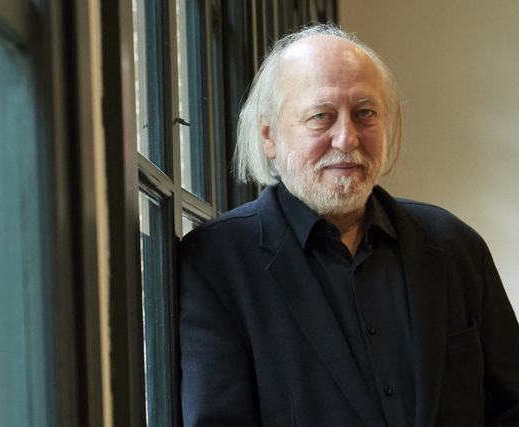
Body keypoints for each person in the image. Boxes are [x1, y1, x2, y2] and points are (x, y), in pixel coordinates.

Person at [178, 24, 519, 427]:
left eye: (365, 114)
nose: (347, 138)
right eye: (321, 116)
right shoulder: (216, 262)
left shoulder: (454, 244)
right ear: (269, 135)